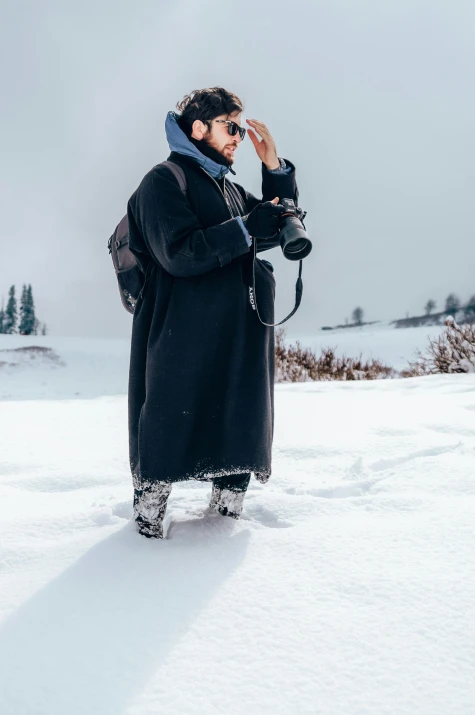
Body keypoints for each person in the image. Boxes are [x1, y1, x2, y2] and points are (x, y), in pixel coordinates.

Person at [126, 87, 300, 538]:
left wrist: (274, 171)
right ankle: (148, 520)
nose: (240, 137)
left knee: (238, 413)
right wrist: (244, 229)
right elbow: (178, 253)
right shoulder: (163, 181)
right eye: (231, 126)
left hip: (239, 329)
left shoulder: (229, 187)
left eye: (241, 129)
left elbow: (283, 228)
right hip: (180, 330)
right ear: (198, 127)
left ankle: (225, 515)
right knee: (169, 415)